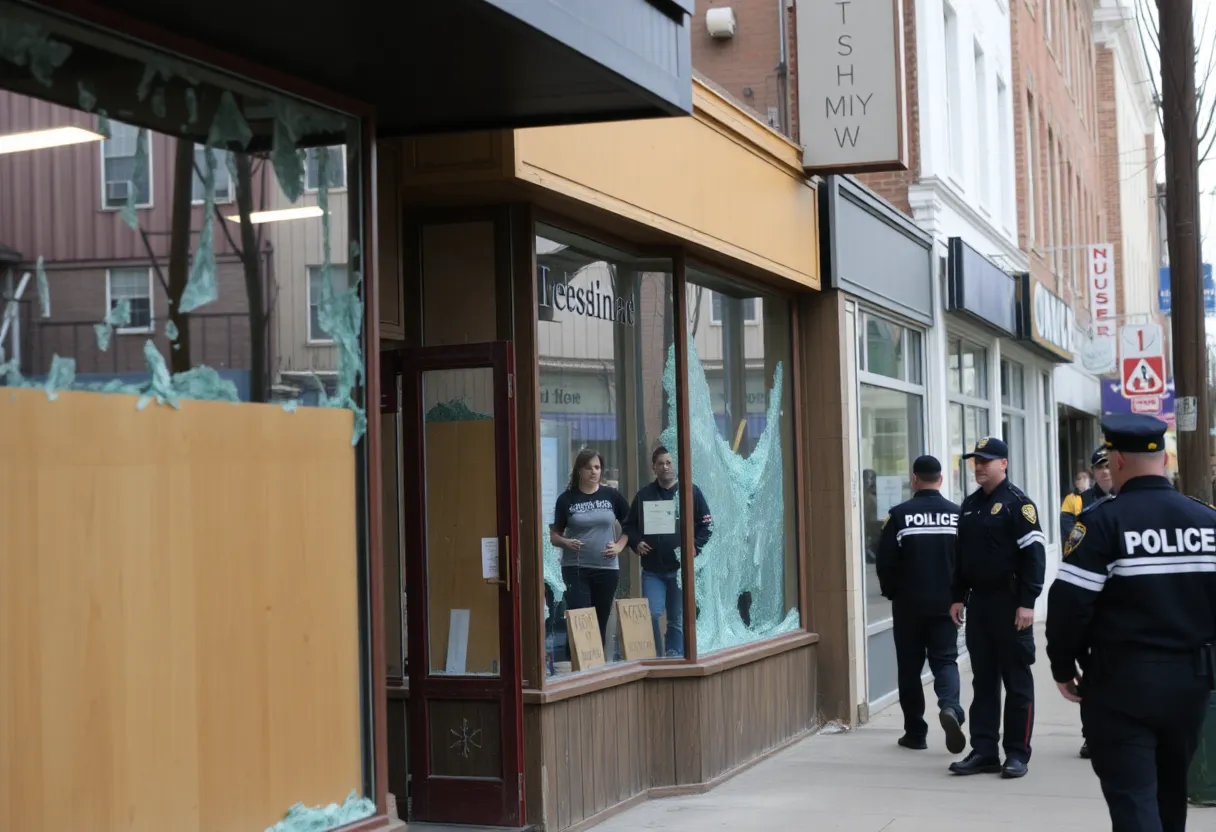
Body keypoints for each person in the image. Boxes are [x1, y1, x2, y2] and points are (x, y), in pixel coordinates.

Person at [1046, 414, 1216, 832]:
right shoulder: (1207, 521)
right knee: (1171, 791)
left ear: (1116, 459)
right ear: (1163, 458)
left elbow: (1070, 605)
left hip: (1122, 684)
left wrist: (1063, 667)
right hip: (1190, 682)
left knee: (1133, 798)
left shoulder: (1102, 523)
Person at [948, 436, 1046, 779]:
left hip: (1011, 604)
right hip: (981, 604)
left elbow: (1034, 557)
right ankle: (985, 750)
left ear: (1003, 464)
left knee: (1017, 681)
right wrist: (958, 595)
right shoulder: (971, 505)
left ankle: (1017, 753)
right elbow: (962, 558)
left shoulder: (1018, 505)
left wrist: (1028, 602)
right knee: (983, 681)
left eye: (986, 461)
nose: (979, 467)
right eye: (976, 461)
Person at [875, 455, 966, 754]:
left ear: (914, 479)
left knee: (910, 670)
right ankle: (951, 707)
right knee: (945, 661)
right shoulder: (957, 515)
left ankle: (915, 733)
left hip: (909, 608)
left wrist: (892, 593)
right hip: (946, 606)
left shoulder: (899, 515)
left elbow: (885, 563)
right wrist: (961, 597)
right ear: (940, 479)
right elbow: (967, 561)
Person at [623, 446, 713, 658]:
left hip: (680, 571)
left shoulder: (690, 492)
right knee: (652, 614)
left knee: (677, 618)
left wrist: (695, 546)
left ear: (676, 466)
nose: (665, 467)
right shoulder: (644, 495)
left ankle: (674, 655)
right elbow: (629, 526)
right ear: (654, 467)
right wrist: (636, 542)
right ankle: (655, 655)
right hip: (652, 570)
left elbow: (707, 525)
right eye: (661, 463)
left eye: (669, 462)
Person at [549, 448, 631, 652]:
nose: (594, 472)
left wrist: (620, 545)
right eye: (588, 468)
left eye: (597, 467)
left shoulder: (611, 495)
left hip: (607, 568)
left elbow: (632, 524)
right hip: (576, 568)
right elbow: (553, 536)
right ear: (579, 471)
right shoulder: (566, 499)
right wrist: (566, 542)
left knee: (600, 620)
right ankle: (574, 667)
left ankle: (596, 670)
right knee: (580, 617)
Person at [1064, 448, 1116, 760]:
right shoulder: (1082, 505)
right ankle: (1091, 735)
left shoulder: (1131, 498)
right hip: (1092, 601)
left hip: (1124, 603)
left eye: (1110, 466)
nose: (1106, 472)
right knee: (1092, 673)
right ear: (1093, 473)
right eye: (1100, 468)